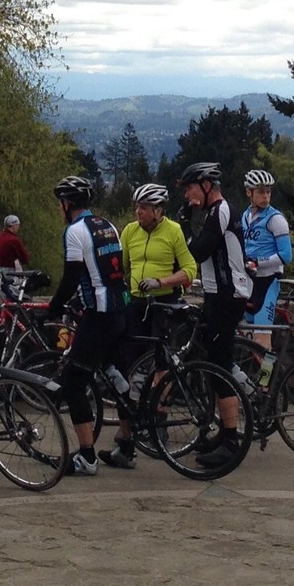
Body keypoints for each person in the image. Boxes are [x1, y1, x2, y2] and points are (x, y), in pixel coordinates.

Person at [101, 181, 195, 471]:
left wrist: (162, 282)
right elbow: (123, 269)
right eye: (136, 207)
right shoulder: (129, 231)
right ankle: (126, 443)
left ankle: (161, 423)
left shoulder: (173, 231)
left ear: (157, 210)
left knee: (161, 367)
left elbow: (190, 270)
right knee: (126, 370)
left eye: (143, 207)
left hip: (163, 305)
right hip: (136, 305)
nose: (137, 211)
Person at [45, 175, 130, 476]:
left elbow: (71, 277)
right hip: (121, 309)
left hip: (100, 315)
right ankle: (129, 444)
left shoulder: (74, 231)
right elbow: (106, 272)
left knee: (74, 382)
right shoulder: (108, 225)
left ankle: (86, 457)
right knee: (117, 375)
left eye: (60, 204)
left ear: (67, 204)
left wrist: (52, 310)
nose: (59, 209)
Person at [179, 161, 252, 468]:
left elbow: (197, 252)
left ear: (207, 186)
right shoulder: (212, 212)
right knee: (214, 361)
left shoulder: (220, 211)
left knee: (220, 366)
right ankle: (226, 430)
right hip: (216, 295)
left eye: (190, 188)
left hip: (228, 296)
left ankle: (233, 440)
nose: (187, 195)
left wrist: (183, 225)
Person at [239, 169, 293, 338]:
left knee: (262, 336)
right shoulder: (245, 216)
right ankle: (258, 365)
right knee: (247, 335)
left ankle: (270, 364)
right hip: (250, 281)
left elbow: (286, 256)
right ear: (249, 192)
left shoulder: (275, 219)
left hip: (268, 280)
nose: (266, 196)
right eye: (261, 192)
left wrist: (258, 261)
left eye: (268, 192)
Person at [0, 215, 30, 295]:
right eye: (17, 225)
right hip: (11, 272)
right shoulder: (14, 240)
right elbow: (25, 259)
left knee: (2, 294)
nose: (18, 228)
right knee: (14, 294)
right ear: (14, 226)